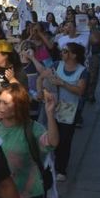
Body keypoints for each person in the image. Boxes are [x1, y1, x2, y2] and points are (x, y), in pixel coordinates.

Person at [37, 42, 87, 183]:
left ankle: (61, 168)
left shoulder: (82, 71)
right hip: (53, 107)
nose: (62, 53)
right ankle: (50, 164)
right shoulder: (56, 65)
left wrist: (62, 83)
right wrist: (42, 91)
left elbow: (80, 91)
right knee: (51, 135)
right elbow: (42, 77)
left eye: (66, 51)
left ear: (74, 55)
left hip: (70, 109)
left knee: (65, 140)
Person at [85, 17, 100, 102]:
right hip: (83, 55)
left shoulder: (97, 31)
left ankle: (90, 94)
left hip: (94, 55)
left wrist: (92, 30)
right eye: (91, 19)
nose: (93, 21)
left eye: (94, 19)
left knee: (93, 76)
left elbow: (96, 41)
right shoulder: (82, 30)